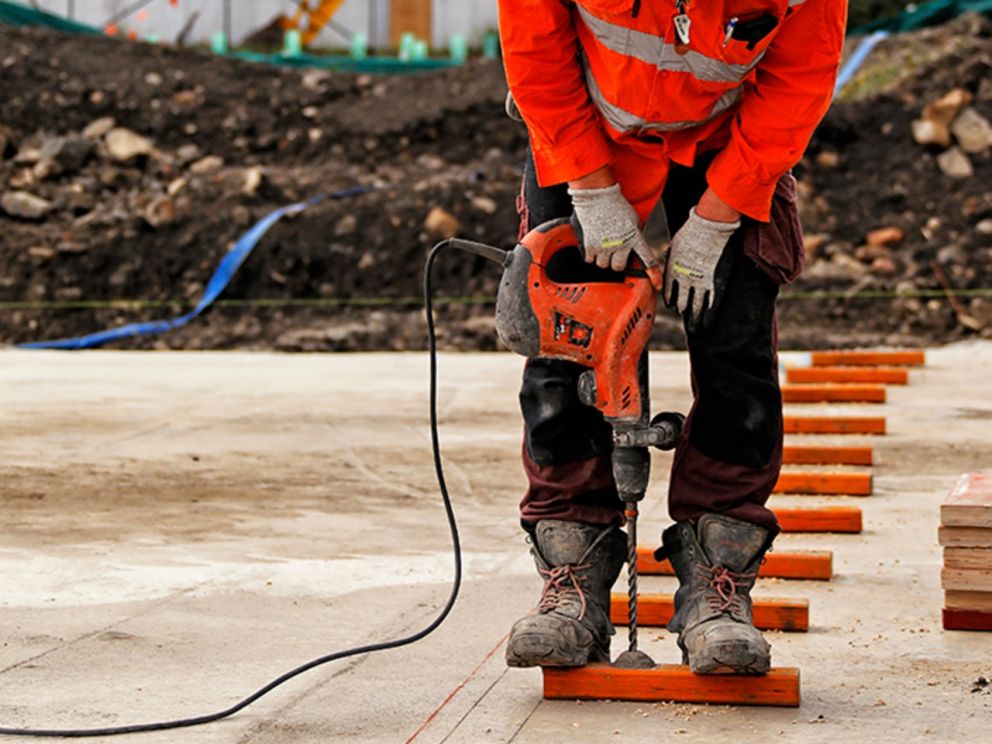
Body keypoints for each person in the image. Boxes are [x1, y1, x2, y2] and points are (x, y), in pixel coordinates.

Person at [496, 0, 846, 673]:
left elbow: (799, 80)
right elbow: (536, 48)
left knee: (735, 356)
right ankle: (574, 576)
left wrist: (720, 215)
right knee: (569, 348)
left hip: (732, 140)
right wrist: (591, 188)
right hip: (585, 128)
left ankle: (718, 583)